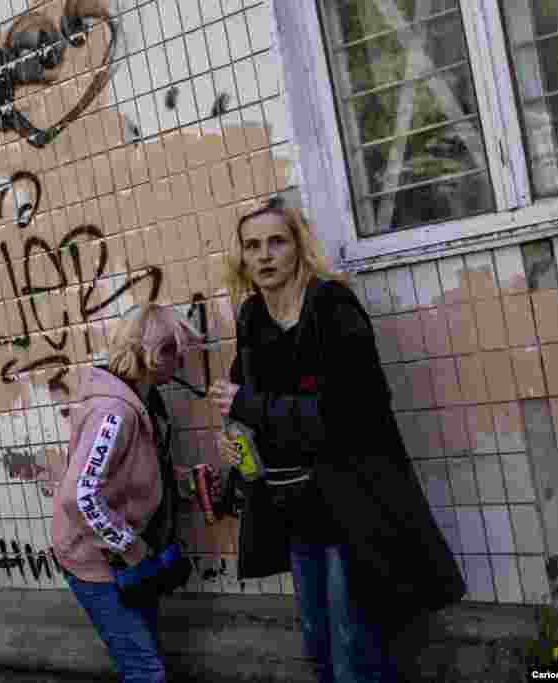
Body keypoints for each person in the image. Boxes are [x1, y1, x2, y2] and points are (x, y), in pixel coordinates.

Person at [209, 198, 466, 683]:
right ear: (241, 257)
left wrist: (249, 406)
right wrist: (235, 442)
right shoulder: (252, 318)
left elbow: (354, 416)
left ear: (298, 248)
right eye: (252, 246)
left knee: (355, 651)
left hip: (354, 505)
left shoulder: (333, 307)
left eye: (276, 242)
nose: (264, 255)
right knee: (319, 646)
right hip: (295, 508)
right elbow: (242, 404)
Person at [52, 303, 200, 683]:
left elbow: (129, 472)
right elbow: (79, 497)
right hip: (98, 561)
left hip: (124, 558)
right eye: (176, 352)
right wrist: (131, 548)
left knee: (144, 659)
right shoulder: (114, 411)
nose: (181, 363)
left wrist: (183, 481)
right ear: (155, 354)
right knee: (144, 670)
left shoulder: (141, 399)